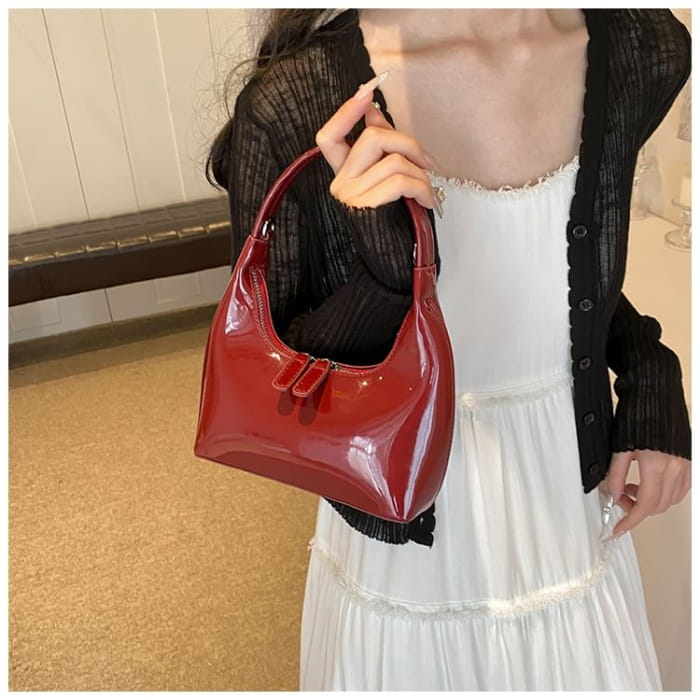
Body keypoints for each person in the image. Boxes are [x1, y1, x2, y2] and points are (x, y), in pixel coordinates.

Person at [206, 8, 692, 691]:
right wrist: (383, 281)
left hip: (565, 507)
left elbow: (562, 274)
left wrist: (650, 371)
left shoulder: (644, 46)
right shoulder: (295, 99)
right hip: (403, 537)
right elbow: (277, 378)